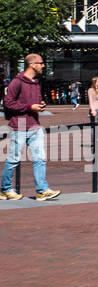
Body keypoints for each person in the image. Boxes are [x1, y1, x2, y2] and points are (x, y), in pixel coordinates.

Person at [2, 53, 60, 201]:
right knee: (14, 158)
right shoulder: (17, 82)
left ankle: (42, 190)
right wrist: (29, 107)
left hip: (34, 124)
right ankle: (5, 189)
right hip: (19, 124)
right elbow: (8, 103)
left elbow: (36, 100)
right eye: (41, 63)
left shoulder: (36, 82)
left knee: (40, 158)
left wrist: (40, 104)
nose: (43, 65)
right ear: (32, 64)